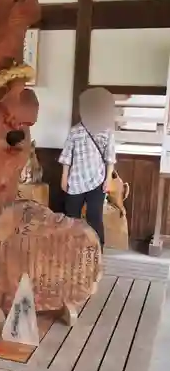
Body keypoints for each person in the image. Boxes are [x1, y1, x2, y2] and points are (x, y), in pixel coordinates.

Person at [59, 88, 116, 250]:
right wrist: (64, 177)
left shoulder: (107, 131)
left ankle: (98, 248)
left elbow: (110, 157)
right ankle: (70, 248)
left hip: (97, 180)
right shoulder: (75, 131)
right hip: (75, 180)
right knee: (71, 217)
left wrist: (108, 179)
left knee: (95, 216)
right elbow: (67, 156)